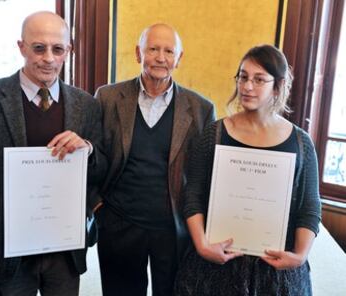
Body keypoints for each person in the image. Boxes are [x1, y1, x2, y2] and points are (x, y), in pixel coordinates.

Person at [0, 11, 106, 296]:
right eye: (39, 47)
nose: (48, 57)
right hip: (7, 246)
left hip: (64, 247)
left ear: (68, 52)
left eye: (57, 49)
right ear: (22, 47)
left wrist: (88, 150)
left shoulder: (87, 105)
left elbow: (101, 171)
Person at [174, 44, 322, 296]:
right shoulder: (215, 134)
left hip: (276, 268)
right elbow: (193, 193)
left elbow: (310, 204)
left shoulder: (300, 143)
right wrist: (201, 245)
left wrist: (299, 256)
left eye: (259, 79)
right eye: (243, 77)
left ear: (278, 86)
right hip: (217, 262)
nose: (247, 86)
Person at [93, 23, 216, 296]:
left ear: (179, 59)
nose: (161, 57)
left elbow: (202, 175)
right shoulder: (108, 97)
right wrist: (97, 205)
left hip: (173, 228)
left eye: (169, 51)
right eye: (153, 49)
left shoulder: (201, 109)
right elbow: (93, 157)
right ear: (139, 53)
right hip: (118, 223)